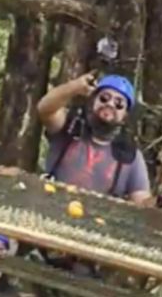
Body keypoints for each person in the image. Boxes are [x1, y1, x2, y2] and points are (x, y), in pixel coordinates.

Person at [34, 72, 154, 205]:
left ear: (124, 116)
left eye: (119, 104)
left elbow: (142, 203)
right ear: (92, 102)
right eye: (104, 98)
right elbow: (44, 109)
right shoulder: (70, 127)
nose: (110, 104)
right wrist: (75, 87)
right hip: (50, 209)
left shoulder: (130, 156)